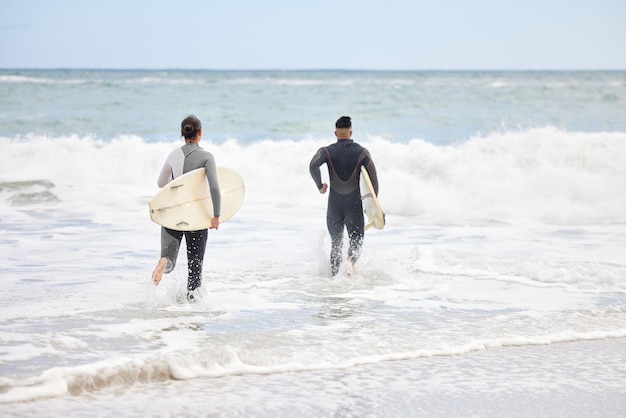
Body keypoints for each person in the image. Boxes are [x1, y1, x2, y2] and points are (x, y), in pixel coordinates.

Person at [151, 115, 221, 301]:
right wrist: (216, 215)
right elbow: (214, 187)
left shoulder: (173, 154)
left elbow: (161, 183)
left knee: (169, 259)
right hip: (195, 217)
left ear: (182, 133)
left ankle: (162, 263)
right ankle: (192, 315)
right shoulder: (207, 157)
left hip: (173, 212)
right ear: (200, 133)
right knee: (195, 268)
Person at [309, 116, 379, 276]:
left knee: (336, 244)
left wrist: (320, 185)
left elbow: (313, 165)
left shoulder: (326, 151)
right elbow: (373, 181)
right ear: (351, 132)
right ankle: (350, 263)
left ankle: (333, 281)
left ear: (335, 133)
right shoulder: (362, 152)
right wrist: (373, 207)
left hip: (334, 205)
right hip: (354, 205)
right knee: (356, 242)